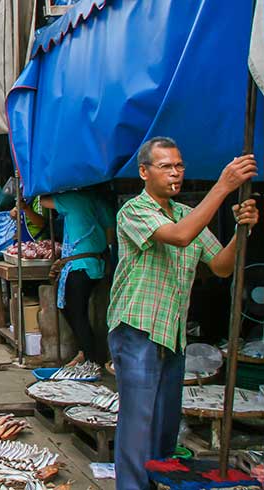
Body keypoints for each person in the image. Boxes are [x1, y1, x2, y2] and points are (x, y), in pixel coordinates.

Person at [106, 137, 258, 490]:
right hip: (137, 330)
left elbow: (221, 266)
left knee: (164, 424)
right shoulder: (133, 211)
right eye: (166, 166)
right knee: (137, 423)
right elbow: (178, 237)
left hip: (172, 332)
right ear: (144, 172)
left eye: (179, 166)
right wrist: (223, 187)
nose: (175, 173)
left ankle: (157, 482)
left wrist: (241, 230)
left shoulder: (188, 215)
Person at [38, 190, 114, 367]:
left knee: (76, 314)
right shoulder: (100, 201)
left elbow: (44, 202)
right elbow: (110, 234)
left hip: (79, 266)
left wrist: (47, 186)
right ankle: (85, 352)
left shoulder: (73, 199)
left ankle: (91, 359)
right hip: (96, 265)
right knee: (76, 311)